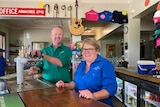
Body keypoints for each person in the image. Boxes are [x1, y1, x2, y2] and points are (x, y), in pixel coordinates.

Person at [56, 38, 117, 107]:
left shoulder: (105, 64)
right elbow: (76, 83)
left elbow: (111, 88)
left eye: (90, 49)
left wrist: (93, 96)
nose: (86, 52)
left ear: (97, 51)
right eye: (84, 49)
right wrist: (65, 85)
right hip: (81, 103)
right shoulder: (81, 65)